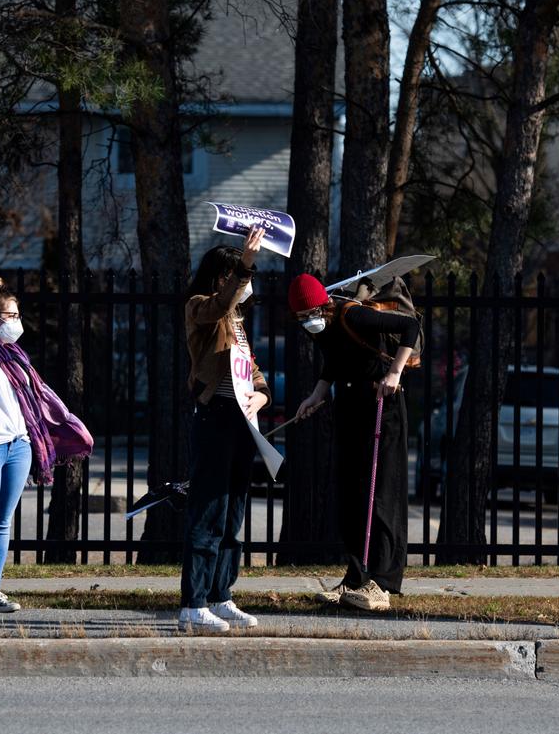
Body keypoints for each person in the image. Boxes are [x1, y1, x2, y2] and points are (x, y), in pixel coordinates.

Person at [0, 257, 93, 620]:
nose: (18, 323)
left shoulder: (15, 353)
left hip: (17, 445)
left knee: (3, 521)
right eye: (12, 316)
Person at [290, 273, 419, 611]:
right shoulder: (324, 328)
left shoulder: (351, 314)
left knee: (381, 495)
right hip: (351, 406)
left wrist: (394, 373)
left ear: (324, 305)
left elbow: (410, 327)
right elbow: (334, 361)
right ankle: (356, 578)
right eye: (301, 318)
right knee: (353, 496)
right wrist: (316, 395)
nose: (308, 322)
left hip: (381, 406)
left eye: (310, 314)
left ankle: (383, 584)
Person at [179, 227, 270, 633]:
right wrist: (246, 265)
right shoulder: (201, 307)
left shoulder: (238, 324)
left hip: (240, 423)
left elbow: (252, 371)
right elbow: (216, 307)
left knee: (233, 513)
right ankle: (193, 603)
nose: (246, 286)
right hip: (213, 418)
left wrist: (262, 396)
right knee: (208, 512)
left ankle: (221, 594)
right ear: (221, 277)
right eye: (237, 277)